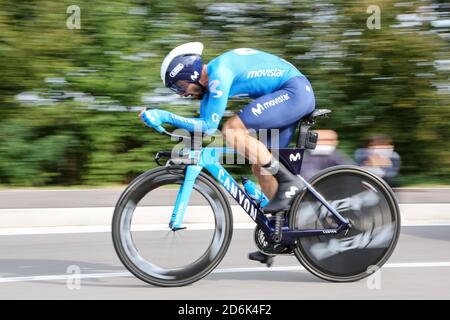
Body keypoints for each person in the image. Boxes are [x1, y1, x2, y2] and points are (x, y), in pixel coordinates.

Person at [140, 42, 316, 264]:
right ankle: (280, 233)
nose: (183, 94)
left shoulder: (218, 74)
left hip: (293, 91)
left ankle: (289, 182)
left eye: (180, 86)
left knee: (232, 130)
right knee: (261, 166)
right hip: (288, 94)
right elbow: (201, 126)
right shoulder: (211, 88)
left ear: (191, 72)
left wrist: (164, 115)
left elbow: (209, 127)